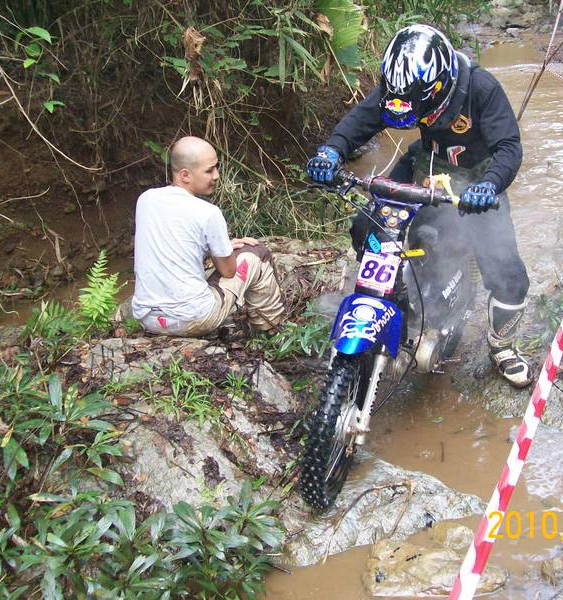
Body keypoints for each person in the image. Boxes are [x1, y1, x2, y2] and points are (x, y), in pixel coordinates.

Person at [306, 24, 532, 388]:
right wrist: (331, 151)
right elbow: (362, 119)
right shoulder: (400, 88)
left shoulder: (481, 88)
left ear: (439, 87)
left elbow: (508, 147)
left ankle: (502, 347)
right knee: (368, 226)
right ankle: (396, 300)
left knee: (508, 275)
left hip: (478, 180)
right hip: (425, 163)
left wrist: (489, 184)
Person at [131, 136, 285, 337]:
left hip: (149, 319)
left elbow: (177, 245)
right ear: (185, 175)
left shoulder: (146, 200)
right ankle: (271, 330)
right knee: (257, 253)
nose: (217, 176)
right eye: (209, 170)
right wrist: (224, 251)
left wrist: (221, 246)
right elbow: (229, 271)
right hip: (193, 318)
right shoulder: (208, 212)